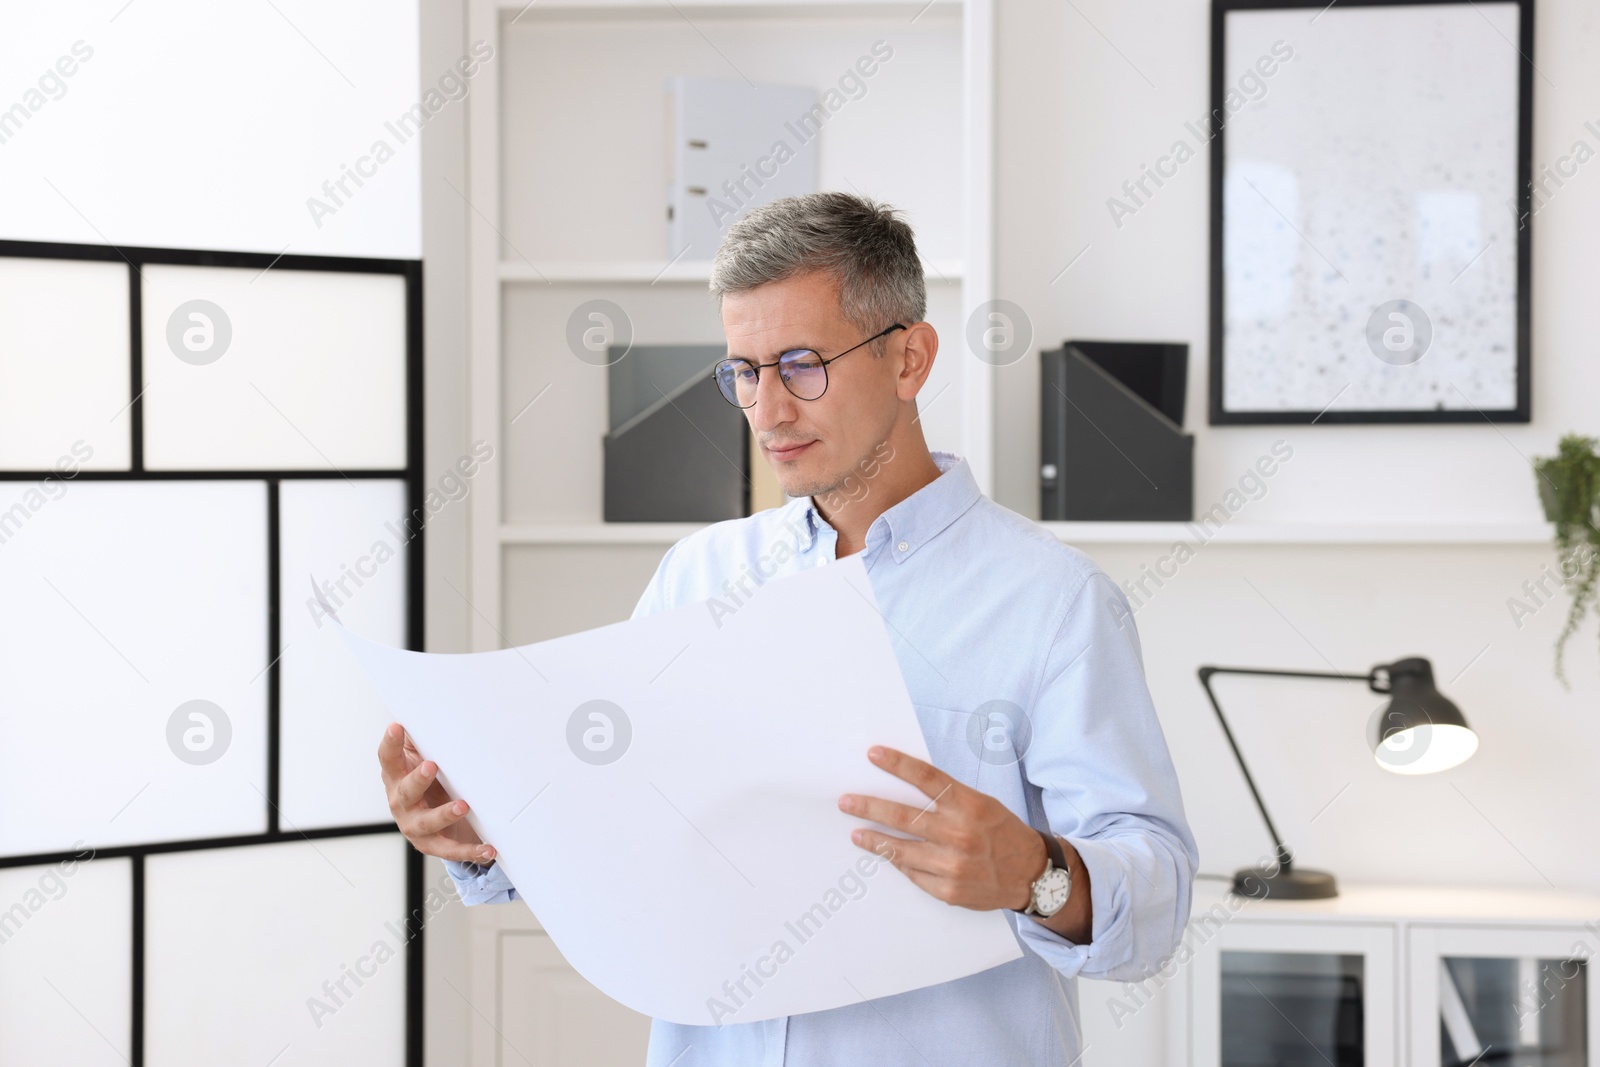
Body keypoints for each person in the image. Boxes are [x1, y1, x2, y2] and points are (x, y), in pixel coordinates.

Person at [378, 191, 1197, 1065]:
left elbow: (1159, 896)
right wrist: (484, 832)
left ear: (910, 357)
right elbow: (615, 825)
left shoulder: (1055, 600)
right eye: (743, 370)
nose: (766, 410)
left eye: (802, 364)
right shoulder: (697, 577)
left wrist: (1036, 872)